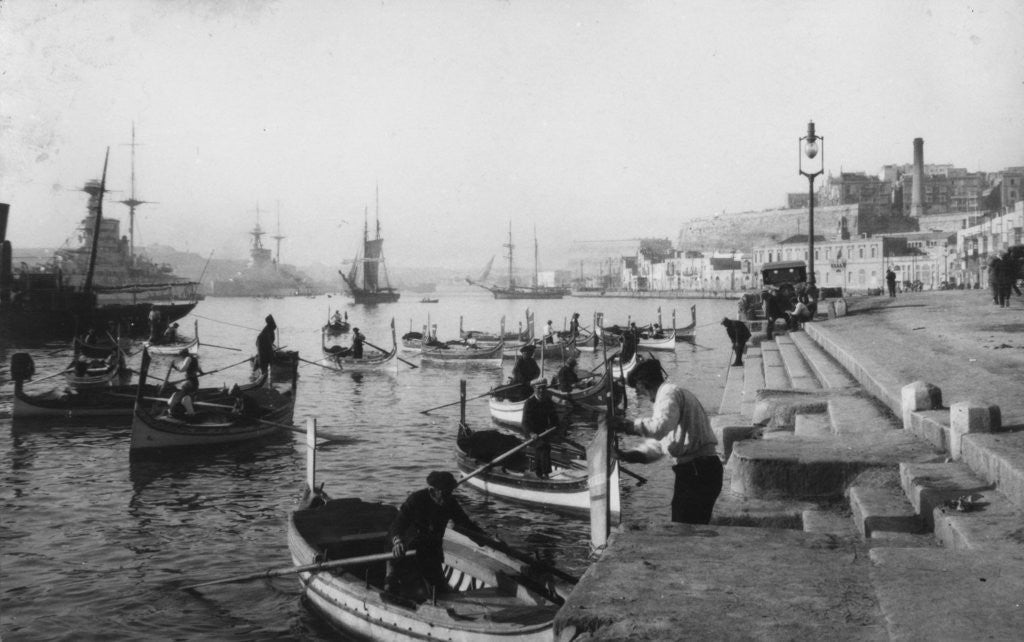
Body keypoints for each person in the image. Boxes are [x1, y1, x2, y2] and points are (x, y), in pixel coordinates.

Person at [611, 357, 723, 524]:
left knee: (685, 526)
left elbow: (658, 428)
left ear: (643, 384)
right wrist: (626, 456)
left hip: (698, 470)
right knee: (686, 523)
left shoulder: (669, 393)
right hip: (699, 470)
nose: (640, 394)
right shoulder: (671, 398)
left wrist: (626, 425)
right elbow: (659, 447)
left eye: (638, 390)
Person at [386, 471, 483, 598]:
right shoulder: (416, 500)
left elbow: (465, 524)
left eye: (450, 492)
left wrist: (485, 538)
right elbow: (397, 525)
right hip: (405, 549)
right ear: (432, 491)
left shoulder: (449, 502)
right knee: (393, 588)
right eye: (445, 493)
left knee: (439, 591)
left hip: (430, 551)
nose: (448, 497)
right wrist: (397, 542)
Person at [522, 377, 561, 478]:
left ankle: (538, 471)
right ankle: (545, 474)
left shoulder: (548, 401)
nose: (541, 391)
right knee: (543, 446)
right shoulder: (529, 403)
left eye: (543, 388)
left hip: (544, 432)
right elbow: (525, 423)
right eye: (538, 388)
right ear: (534, 389)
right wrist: (531, 433)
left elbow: (554, 418)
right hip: (531, 434)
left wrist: (556, 428)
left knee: (544, 445)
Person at [168, 349, 203, 417]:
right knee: (186, 391)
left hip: (191, 382)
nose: (181, 357)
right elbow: (199, 368)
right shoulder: (194, 358)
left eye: (181, 356)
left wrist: (174, 367)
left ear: (183, 354)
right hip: (194, 381)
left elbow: (182, 369)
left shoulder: (187, 358)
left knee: (185, 392)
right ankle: (189, 404)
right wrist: (201, 372)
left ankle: (188, 407)